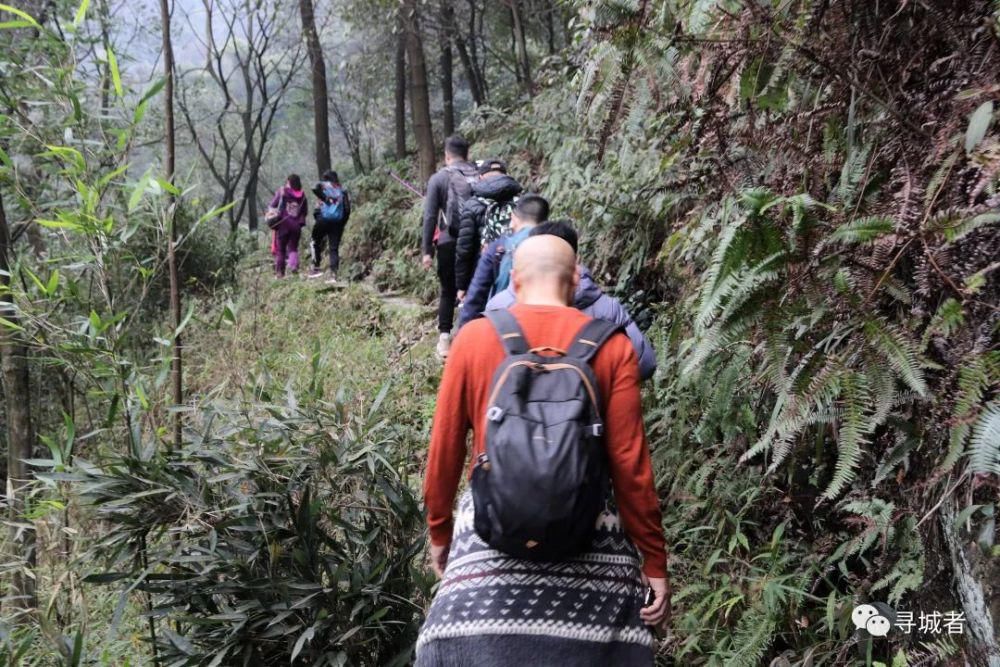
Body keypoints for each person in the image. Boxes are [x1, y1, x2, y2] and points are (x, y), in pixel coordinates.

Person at [417, 234, 670, 666]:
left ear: (513, 281)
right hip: (586, 522)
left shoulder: (474, 338)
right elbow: (630, 466)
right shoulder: (613, 347)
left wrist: (440, 533)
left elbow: (444, 450)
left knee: (441, 640)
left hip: (491, 523)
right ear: (576, 279)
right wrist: (654, 562)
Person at [484, 220, 658, 381]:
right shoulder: (607, 308)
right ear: (576, 261)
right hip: (587, 408)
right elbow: (644, 363)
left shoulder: (499, 306)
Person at [421, 135, 478, 359]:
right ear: (467, 154)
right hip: (475, 242)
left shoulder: (438, 179)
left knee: (448, 290)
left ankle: (445, 339)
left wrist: (427, 251)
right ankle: (471, 337)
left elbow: (430, 216)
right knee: (473, 288)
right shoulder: (478, 175)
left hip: (448, 241)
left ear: (446, 156)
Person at [456, 194, 549, 326]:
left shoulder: (499, 247)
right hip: (544, 321)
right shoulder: (555, 245)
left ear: (513, 219)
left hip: (503, 321)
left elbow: (477, 292)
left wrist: (464, 331)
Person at [454, 158, 523, 300]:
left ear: (480, 178)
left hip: (483, 273)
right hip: (518, 272)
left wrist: (462, 285)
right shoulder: (523, 202)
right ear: (506, 175)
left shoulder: (472, 205)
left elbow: (464, 249)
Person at [308, 170, 351, 283]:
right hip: (337, 222)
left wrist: (325, 199)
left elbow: (313, 187)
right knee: (333, 249)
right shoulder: (342, 190)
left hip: (323, 220)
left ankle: (315, 268)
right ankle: (333, 275)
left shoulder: (324, 187)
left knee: (314, 241)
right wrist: (342, 224)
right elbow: (347, 209)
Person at [269, 174, 308, 278]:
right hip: (296, 226)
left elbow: (272, 205)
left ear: (289, 182)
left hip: (283, 224)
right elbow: (304, 212)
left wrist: (272, 215)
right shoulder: (302, 195)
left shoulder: (282, 191)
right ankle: (294, 267)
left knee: (281, 249)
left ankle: (280, 273)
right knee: (293, 248)